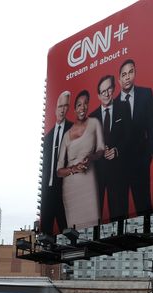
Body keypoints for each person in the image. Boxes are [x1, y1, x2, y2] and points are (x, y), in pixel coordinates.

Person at [56, 90, 105, 229]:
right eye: (79, 105)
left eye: (85, 104)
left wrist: (90, 157)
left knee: (94, 225)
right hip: (70, 186)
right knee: (73, 230)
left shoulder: (94, 123)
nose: (82, 107)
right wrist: (73, 168)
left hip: (88, 180)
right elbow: (58, 171)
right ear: (75, 108)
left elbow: (101, 149)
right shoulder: (66, 135)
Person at [116, 59, 153, 216]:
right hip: (119, 166)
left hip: (141, 161)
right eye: (124, 74)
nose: (127, 77)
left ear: (135, 73)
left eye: (130, 72)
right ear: (119, 79)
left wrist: (149, 155)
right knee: (119, 210)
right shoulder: (113, 104)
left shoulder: (146, 94)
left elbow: (152, 127)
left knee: (143, 206)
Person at [90, 75, 131, 221]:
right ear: (98, 95)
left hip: (119, 171)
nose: (106, 94)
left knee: (120, 216)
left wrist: (116, 151)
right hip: (98, 174)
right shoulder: (92, 117)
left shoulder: (124, 107)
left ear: (113, 89)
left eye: (109, 89)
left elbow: (130, 136)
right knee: (94, 217)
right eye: (103, 92)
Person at [40, 91, 73, 235]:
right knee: (46, 234)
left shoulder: (73, 129)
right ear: (55, 108)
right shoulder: (47, 137)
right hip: (48, 190)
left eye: (65, 106)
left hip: (66, 189)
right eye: (60, 106)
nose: (62, 109)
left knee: (69, 232)